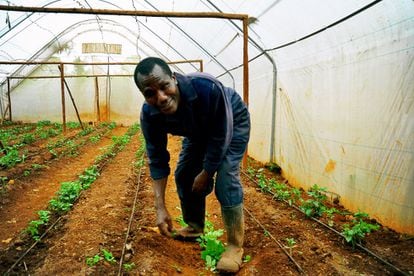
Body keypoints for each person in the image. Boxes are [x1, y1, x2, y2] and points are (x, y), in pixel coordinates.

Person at [133, 57, 250, 273]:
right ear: (144, 95)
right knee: (185, 174)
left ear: (174, 79)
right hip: (197, 132)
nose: (160, 98)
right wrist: (160, 207)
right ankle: (195, 227)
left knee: (226, 178)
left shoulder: (207, 88)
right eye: (149, 93)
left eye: (164, 86)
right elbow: (157, 158)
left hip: (231, 124)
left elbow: (220, 136)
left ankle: (234, 246)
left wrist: (206, 173)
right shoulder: (150, 115)